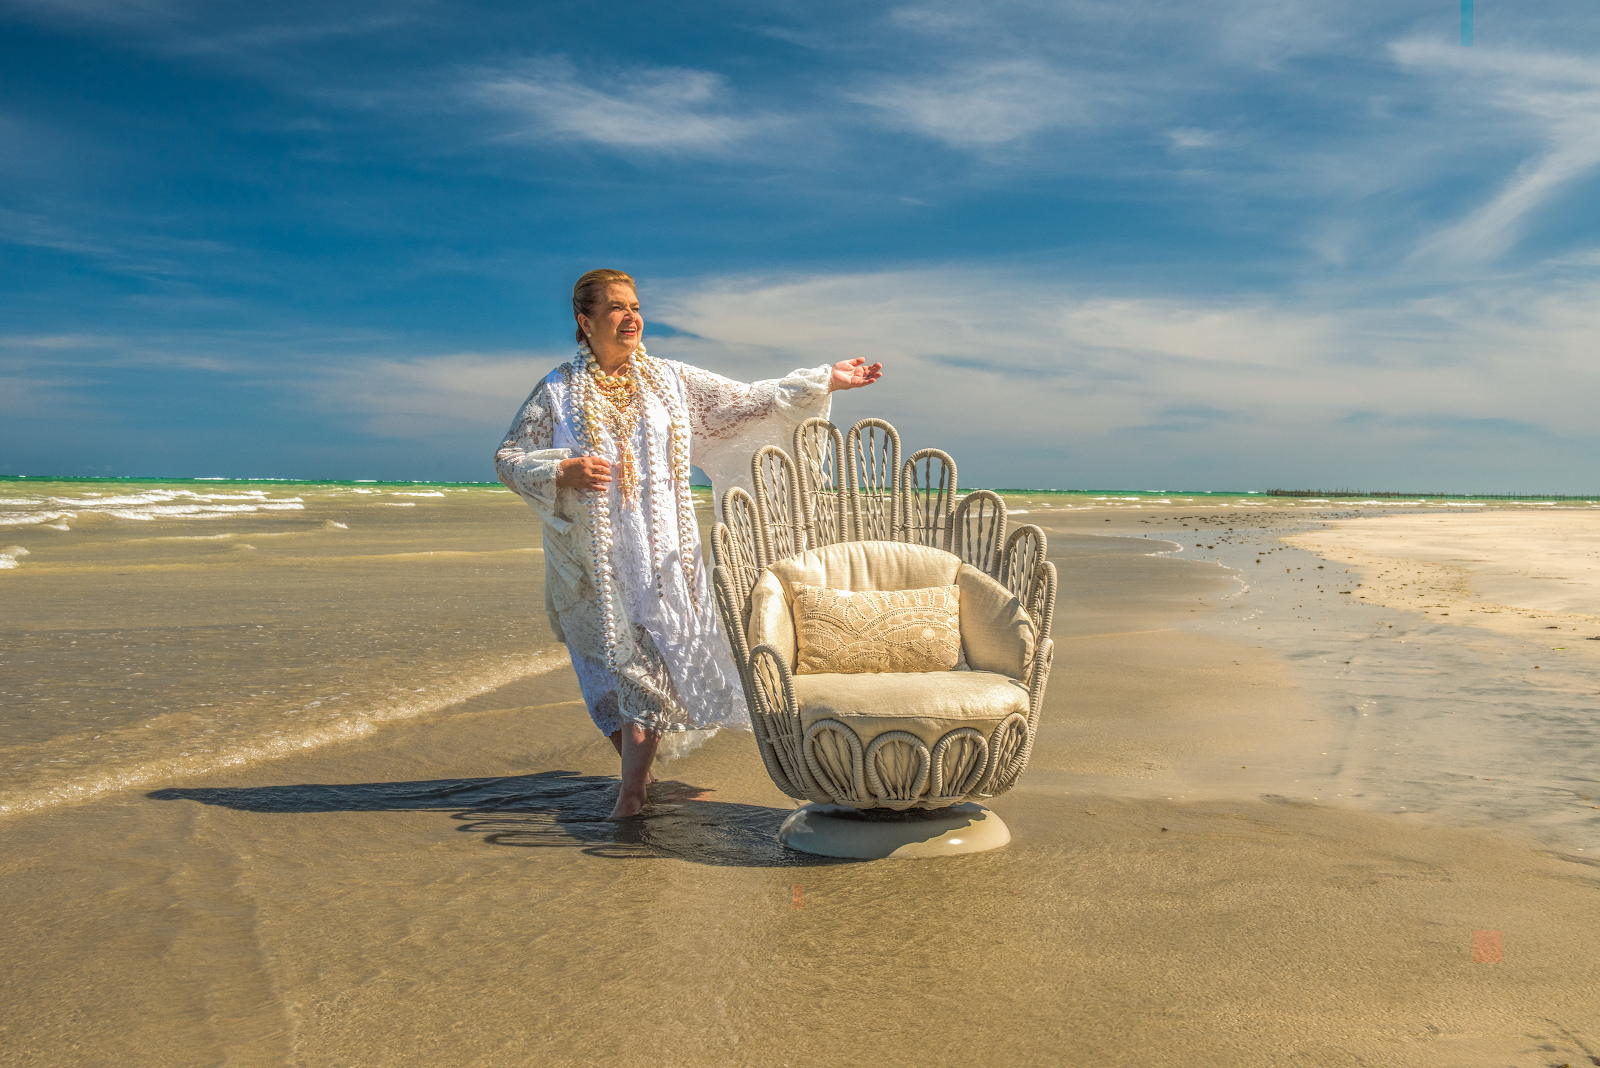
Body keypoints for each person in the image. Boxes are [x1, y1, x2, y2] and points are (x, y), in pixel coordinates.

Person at [495, 269, 883, 819]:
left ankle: (630, 795)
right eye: (616, 308)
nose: (631, 317)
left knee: (650, 667)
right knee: (606, 670)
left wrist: (825, 380)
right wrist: (561, 469)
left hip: (662, 553)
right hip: (589, 559)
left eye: (635, 306)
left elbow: (747, 403)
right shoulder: (557, 391)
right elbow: (509, 457)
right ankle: (644, 775)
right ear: (585, 321)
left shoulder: (670, 380)